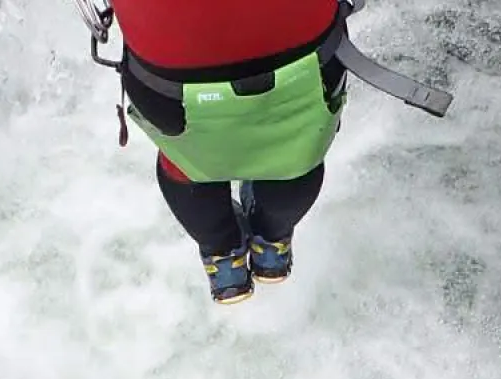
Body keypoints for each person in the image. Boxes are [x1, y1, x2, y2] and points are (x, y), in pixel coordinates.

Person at [107, 0, 352, 304]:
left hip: (169, 89)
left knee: (185, 159)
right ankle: (272, 241)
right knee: (297, 149)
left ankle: (223, 255)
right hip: (307, 69)